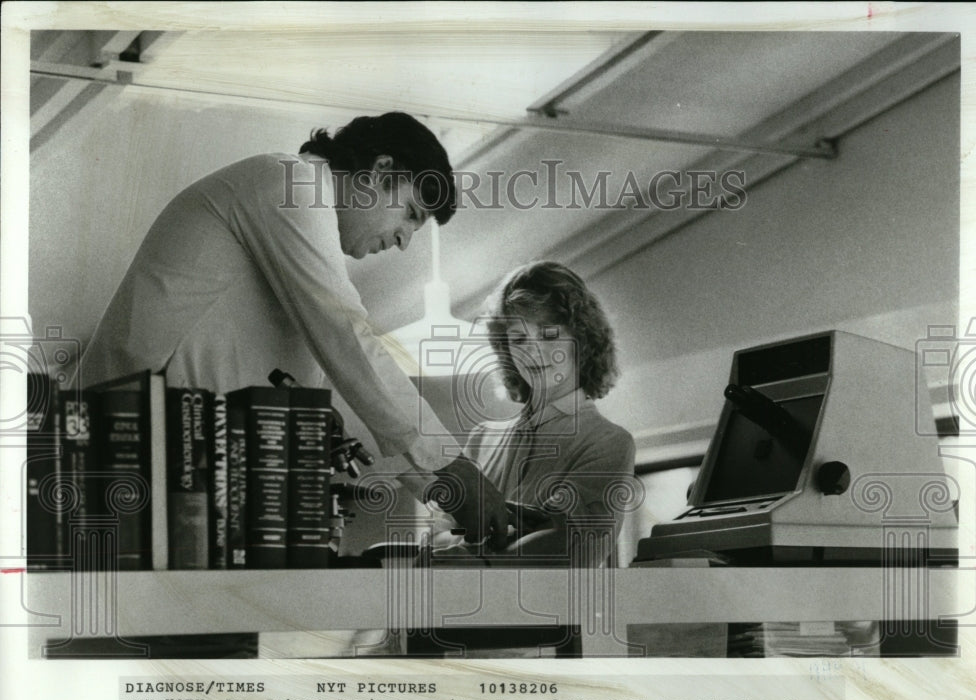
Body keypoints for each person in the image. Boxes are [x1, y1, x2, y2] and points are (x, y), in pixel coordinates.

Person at [79, 112, 507, 537]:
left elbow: (348, 391)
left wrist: (446, 491)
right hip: (128, 458)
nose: (403, 241)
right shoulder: (290, 184)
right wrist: (453, 466)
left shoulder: (297, 234)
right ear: (380, 172)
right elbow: (346, 334)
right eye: (410, 214)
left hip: (168, 469)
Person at [427, 261, 637, 568]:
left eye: (549, 334)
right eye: (519, 339)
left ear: (582, 339)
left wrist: (477, 560)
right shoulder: (481, 438)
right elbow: (438, 533)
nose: (533, 352)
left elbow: (571, 547)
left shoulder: (609, 442)